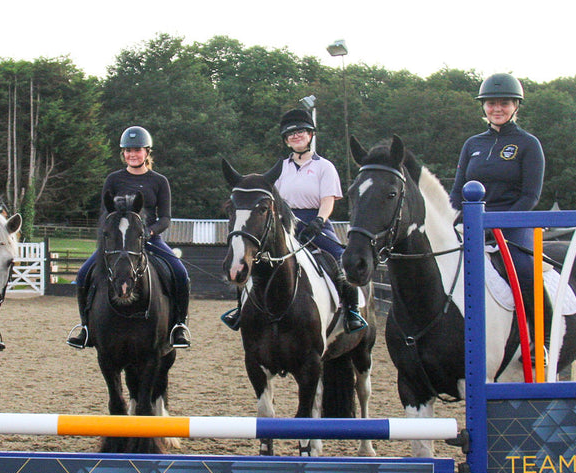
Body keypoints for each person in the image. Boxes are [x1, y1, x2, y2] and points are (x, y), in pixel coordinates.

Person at [224, 108, 366, 333]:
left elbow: (328, 200)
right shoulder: (278, 170)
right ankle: (240, 308)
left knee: (340, 257)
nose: (296, 136)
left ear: (311, 135)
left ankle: (351, 311)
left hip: (315, 222)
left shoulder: (324, 167)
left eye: (301, 132)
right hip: (284, 225)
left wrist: (319, 221)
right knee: (252, 259)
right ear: (286, 141)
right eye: (291, 134)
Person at [66, 125, 191, 349]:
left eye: (137, 150)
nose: (132, 154)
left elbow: (165, 218)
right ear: (123, 153)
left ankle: (178, 326)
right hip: (117, 242)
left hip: (149, 239)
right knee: (84, 273)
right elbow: (105, 214)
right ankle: (85, 328)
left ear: (147, 152)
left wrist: (149, 232)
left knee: (181, 273)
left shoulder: (159, 181)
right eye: (128, 150)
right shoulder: (114, 179)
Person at [449, 73, 545, 343]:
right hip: (472, 221)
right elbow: (457, 191)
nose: (497, 109)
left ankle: (541, 338)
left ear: (515, 106)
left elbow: (530, 195)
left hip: (513, 221)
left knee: (525, 270)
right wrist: (452, 220)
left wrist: (498, 223)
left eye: (504, 103)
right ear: (484, 107)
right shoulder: (473, 144)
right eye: (491, 104)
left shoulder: (528, 144)